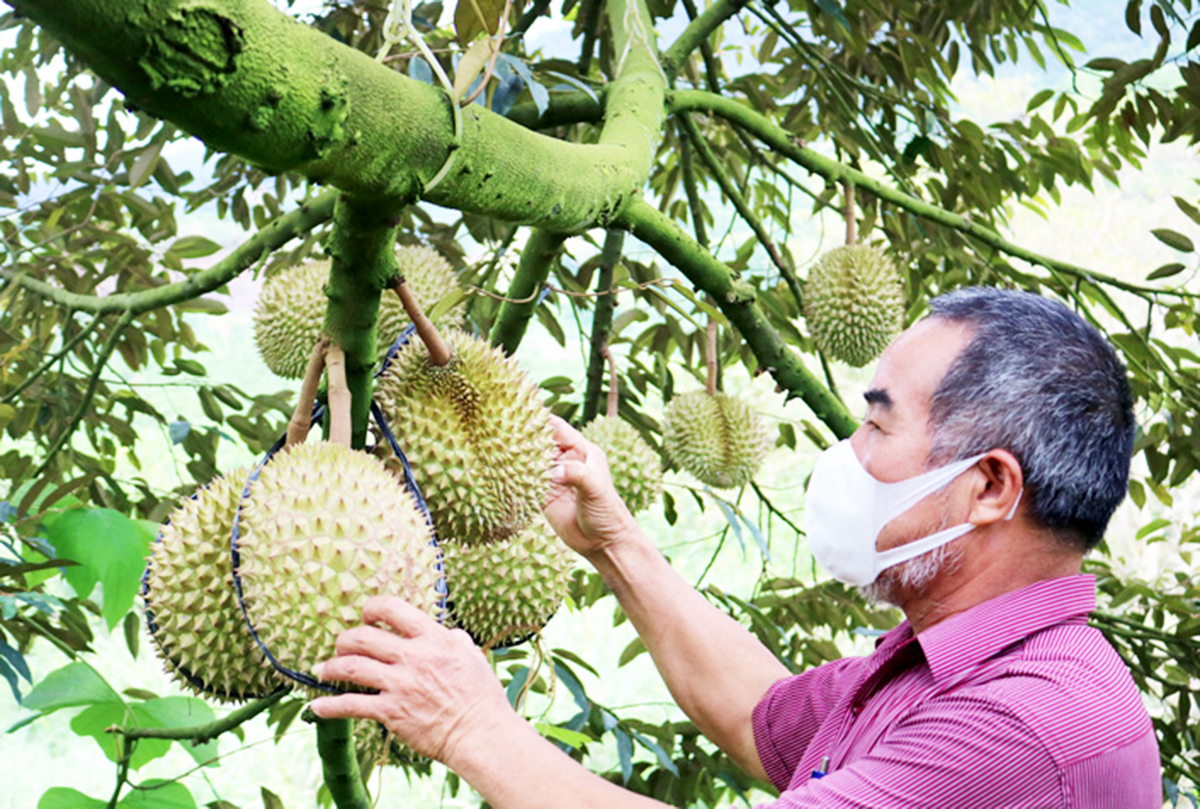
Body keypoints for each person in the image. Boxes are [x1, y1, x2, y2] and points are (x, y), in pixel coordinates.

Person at [310, 287, 1161, 807]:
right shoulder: (960, 662)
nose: (850, 454)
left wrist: (470, 724)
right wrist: (619, 545)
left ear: (989, 488)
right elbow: (769, 722)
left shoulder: (1028, 723)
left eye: (877, 421)